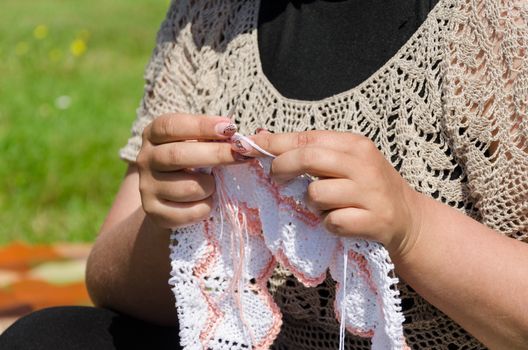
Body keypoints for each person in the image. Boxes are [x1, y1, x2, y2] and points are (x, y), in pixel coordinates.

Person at [2, 0, 527, 349]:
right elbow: (110, 286)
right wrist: (171, 221)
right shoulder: (211, 16)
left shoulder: (497, 24)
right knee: (45, 338)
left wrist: (413, 228)